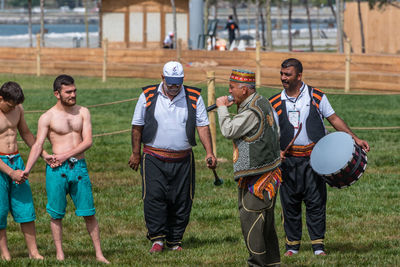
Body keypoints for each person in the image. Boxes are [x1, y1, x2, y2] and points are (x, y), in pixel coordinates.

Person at [269, 58, 370, 256]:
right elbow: (271, 132)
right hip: (288, 161)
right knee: (290, 204)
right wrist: (275, 152)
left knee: (316, 202)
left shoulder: (316, 96)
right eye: (281, 74)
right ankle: (292, 246)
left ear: (299, 76)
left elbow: (333, 119)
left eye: (287, 74)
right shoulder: (274, 102)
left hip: (314, 160)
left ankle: (318, 246)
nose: (283, 78)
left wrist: (355, 138)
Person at [129, 61, 217, 253]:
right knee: (154, 197)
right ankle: (157, 239)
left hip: (183, 159)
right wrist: (136, 153)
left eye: (177, 83)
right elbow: (137, 126)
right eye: (170, 82)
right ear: (162, 78)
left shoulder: (194, 96)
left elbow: (202, 126)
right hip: (153, 157)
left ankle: (175, 240)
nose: (174, 86)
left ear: (183, 80)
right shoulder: (147, 95)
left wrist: (209, 152)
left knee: (182, 199)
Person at [22, 75, 109, 264]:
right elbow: (37, 145)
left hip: (79, 168)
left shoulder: (83, 112)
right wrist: (28, 169)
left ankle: (99, 254)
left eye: (74, 91)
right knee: (56, 214)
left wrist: (64, 155)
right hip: (56, 172)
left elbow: (88, 141)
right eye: (68, 92)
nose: (73, 94)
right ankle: (60, 254)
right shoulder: (47, 117)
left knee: (89, 212)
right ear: (57, 94)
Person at [216, 69, 282, 267]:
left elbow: (229, 130)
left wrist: (221, 108)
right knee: (266, 224)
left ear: (244, 90)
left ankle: (257, 264)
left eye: (232, 88)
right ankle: (272, 263)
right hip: (268, 172)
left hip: (258, 178)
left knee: (251, 221)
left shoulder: (252, 111)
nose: (229, 91)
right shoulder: (263, 102)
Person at [0, 81, 44, 261]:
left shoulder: (18, 109)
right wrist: (10, 172)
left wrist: (44, 154)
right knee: (0, 211)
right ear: (1, 98)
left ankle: (33, 252)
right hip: (1, 163)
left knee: (25, 208)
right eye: (9, 105)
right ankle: (5, 254)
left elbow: (25, 133)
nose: (13, 109)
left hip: (16, 159)